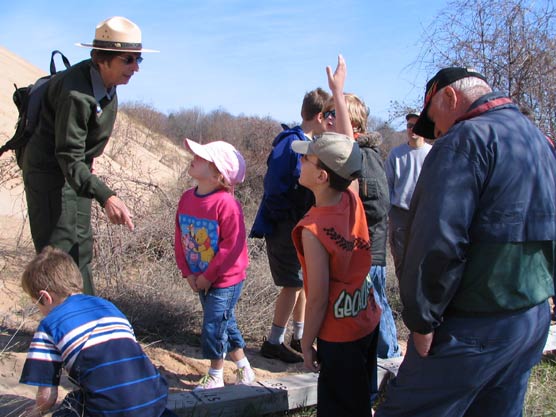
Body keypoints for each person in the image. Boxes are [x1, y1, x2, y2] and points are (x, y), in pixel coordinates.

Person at [376, 67, 556, 417]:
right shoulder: (539, 139)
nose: (437, 133)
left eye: (434, 122)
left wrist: (422, 320)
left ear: (449, 97)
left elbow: (436, 240)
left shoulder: (463, 142)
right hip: (530, 319)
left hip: (471, 326)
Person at [21, 16, 158, 295]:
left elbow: (81, 157)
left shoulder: (109, 86)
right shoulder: (76, 94)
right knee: (57, 256)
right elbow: (69, 156)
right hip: (49, 175)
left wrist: (93, 187)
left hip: (76, 174)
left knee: (81, 247)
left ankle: (88, 319)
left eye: (139, 60)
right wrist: (106, 196)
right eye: (128, 60)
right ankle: (61, 329)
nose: (135, 68)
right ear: (102, 58)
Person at [289, 55, 381, 417]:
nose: (301, 162)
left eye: (307, 160)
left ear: (322, 176)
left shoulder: (311, 230)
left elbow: (317, 299)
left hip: (338, 336)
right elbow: (348, 152)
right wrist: (338, 94)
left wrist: (307, 341)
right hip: (366, 320)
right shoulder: (352, 196)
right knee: (359, 401)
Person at [19, 246, 175, 417]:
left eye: (37, 304)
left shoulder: (50, 324)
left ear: (45, 297)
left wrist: (36, 411)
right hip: (154, 398)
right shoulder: (107, 306)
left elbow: (48, 397)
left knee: (70, 407)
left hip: (110, 409)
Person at [250, 88, 330, 363]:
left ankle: (298, 337)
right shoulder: (290, 142)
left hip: (303, 225)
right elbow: (274, 188)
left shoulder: (313, 143)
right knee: (292, 284)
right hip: (285, 225)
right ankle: (274, 342)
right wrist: (288, 216)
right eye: (329, 115)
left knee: (304, 282)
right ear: (319, 115)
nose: (331, 120)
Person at [322, 93, 400, 359]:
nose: (327, 119)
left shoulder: (365, 156)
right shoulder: (341, 155)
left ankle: (389, 360)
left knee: (375, 302)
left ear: (353, 121)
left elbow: (379, 206)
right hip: (350, 249)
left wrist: (352, 218)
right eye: (326, 113)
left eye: (333, 113)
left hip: (369, 250)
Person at [175, 139, 255, 390]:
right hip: (200, 275)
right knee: (224, 321)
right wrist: (187, 271)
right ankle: (244, 368)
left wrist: (209, 276)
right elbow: (180, 236)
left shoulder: (227, 204)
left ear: (217, 174)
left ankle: (215, 375)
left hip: (225, 278)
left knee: (213, 323)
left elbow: (232, 247)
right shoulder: (187, 198)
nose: (193, 157)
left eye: (201, 158)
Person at [385, 111, 432, 281]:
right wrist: (390, 214)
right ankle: (405, 300)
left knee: (422, 261)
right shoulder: (395, 154)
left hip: (424, 214)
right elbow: (387, 185)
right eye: (409, 126)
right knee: (401, 261)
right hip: (400, 214)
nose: (413, 129)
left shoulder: (432, 153)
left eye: (416, 126)